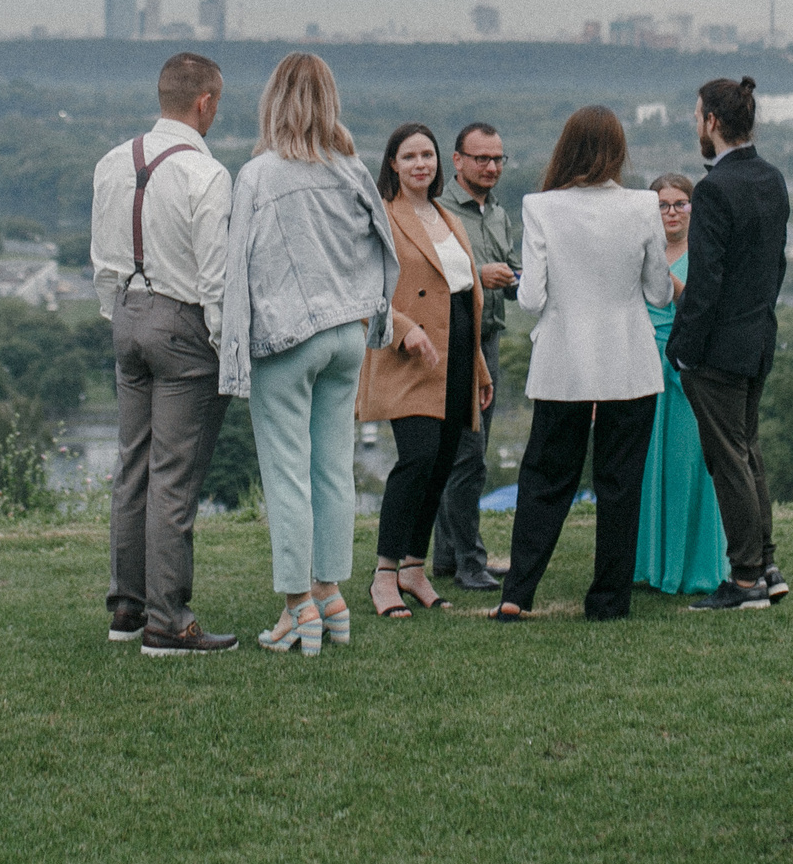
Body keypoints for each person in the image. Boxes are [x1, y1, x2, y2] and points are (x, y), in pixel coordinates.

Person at [221, 53, 401, 656]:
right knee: (332, 469)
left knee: (288, 475)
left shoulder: (259, 175)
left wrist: (233, 355)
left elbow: (237, 271)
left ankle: (297, 607)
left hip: (286, 338)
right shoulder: (351, 170)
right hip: (346, 334)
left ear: (273, 101)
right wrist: (376, 316)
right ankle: (331, 596)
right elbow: (387, 249)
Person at [494, 107, 673, 623]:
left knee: (545, 479)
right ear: (618, 150)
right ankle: (609, 601)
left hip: (563, 361)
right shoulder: (643, 205)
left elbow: (530, 299)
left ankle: (518, 591)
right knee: (621, 483)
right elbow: (659, 291)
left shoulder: (540, 206)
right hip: (630, 359)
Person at [90, 51, 237, 656]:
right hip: (183, 325)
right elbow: (215, 278)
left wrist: (120, 315)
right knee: (174, 476)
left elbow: (101, 258)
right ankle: (168, 620)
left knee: (134, 465)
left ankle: (127, 606)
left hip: (127, 314)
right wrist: (225, 347)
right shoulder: (208, 174)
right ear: (204, 102)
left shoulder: (111, 162)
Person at [667, 76, 792, 610]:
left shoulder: (716, 189)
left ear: (713, 122)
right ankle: (765, 564)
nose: (696, 124)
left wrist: (683, 347)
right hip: (758, 337)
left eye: (698, 116)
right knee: (748, 451)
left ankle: (744, 580)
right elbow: (775, 266)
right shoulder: (771, 178)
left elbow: (706, 283)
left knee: (729, 460)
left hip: (718, 347)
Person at [359, 124, 493, 617]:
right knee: (416, 459)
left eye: (427, 155)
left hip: (456, 352)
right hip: (411, 356)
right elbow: (364, 288)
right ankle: (384, 575)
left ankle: (414, 568)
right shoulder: (382, 216)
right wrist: (402, 328)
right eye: (409, 156)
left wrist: (479, 368)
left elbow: (464, 297)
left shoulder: (446, 216)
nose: (420, 164)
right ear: (392, 164)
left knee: (442, 463)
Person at [433, 122, 519, 591]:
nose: (491, 167)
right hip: (453, 344)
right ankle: (470, 561)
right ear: (458, 160)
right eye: (481, 158)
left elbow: (510, 272)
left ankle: (447, 556)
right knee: (468, 457)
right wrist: (477, 275)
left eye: (497, 159)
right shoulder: (438, 211)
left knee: (471, 451)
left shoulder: (498, 213)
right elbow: (425, 279)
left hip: (489, 340)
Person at [636, 174, 725, 595]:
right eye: (662, 205)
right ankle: (647, 565)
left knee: (688, 464)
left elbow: (706, 307)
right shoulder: (641, 252)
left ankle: (688, 567)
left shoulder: (706, 252)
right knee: (646, 464)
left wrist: (668, 281)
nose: (671, 212)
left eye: (680, 203)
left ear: (693, 208)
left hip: (689, 363)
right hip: (643, 363)